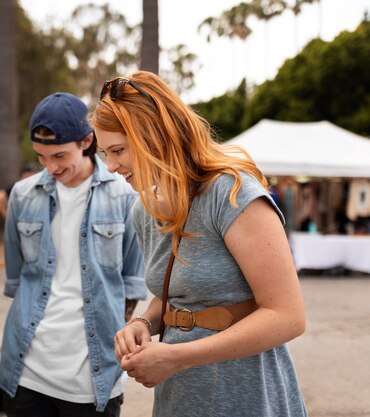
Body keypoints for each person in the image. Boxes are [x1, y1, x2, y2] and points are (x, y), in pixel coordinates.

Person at [90, 71, 307, 417]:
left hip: (249, 400)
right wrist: (142, 324)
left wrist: (175, 357)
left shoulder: (233, 194)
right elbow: (177, 292)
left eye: (118, 150)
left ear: (155, 137)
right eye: (104, 153)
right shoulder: (142, 211)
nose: (111, 167)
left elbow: (288, 317)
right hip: (181, 401)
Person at [0, 92, 147, 416]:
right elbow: (17, 279)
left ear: (87, 141)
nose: (50, 167)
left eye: (60, 156)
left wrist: (112, 347)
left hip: (93, 379)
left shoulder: (124, 196)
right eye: (41, 156)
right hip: (27, 374)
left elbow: (131, 285)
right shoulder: (22, 196)